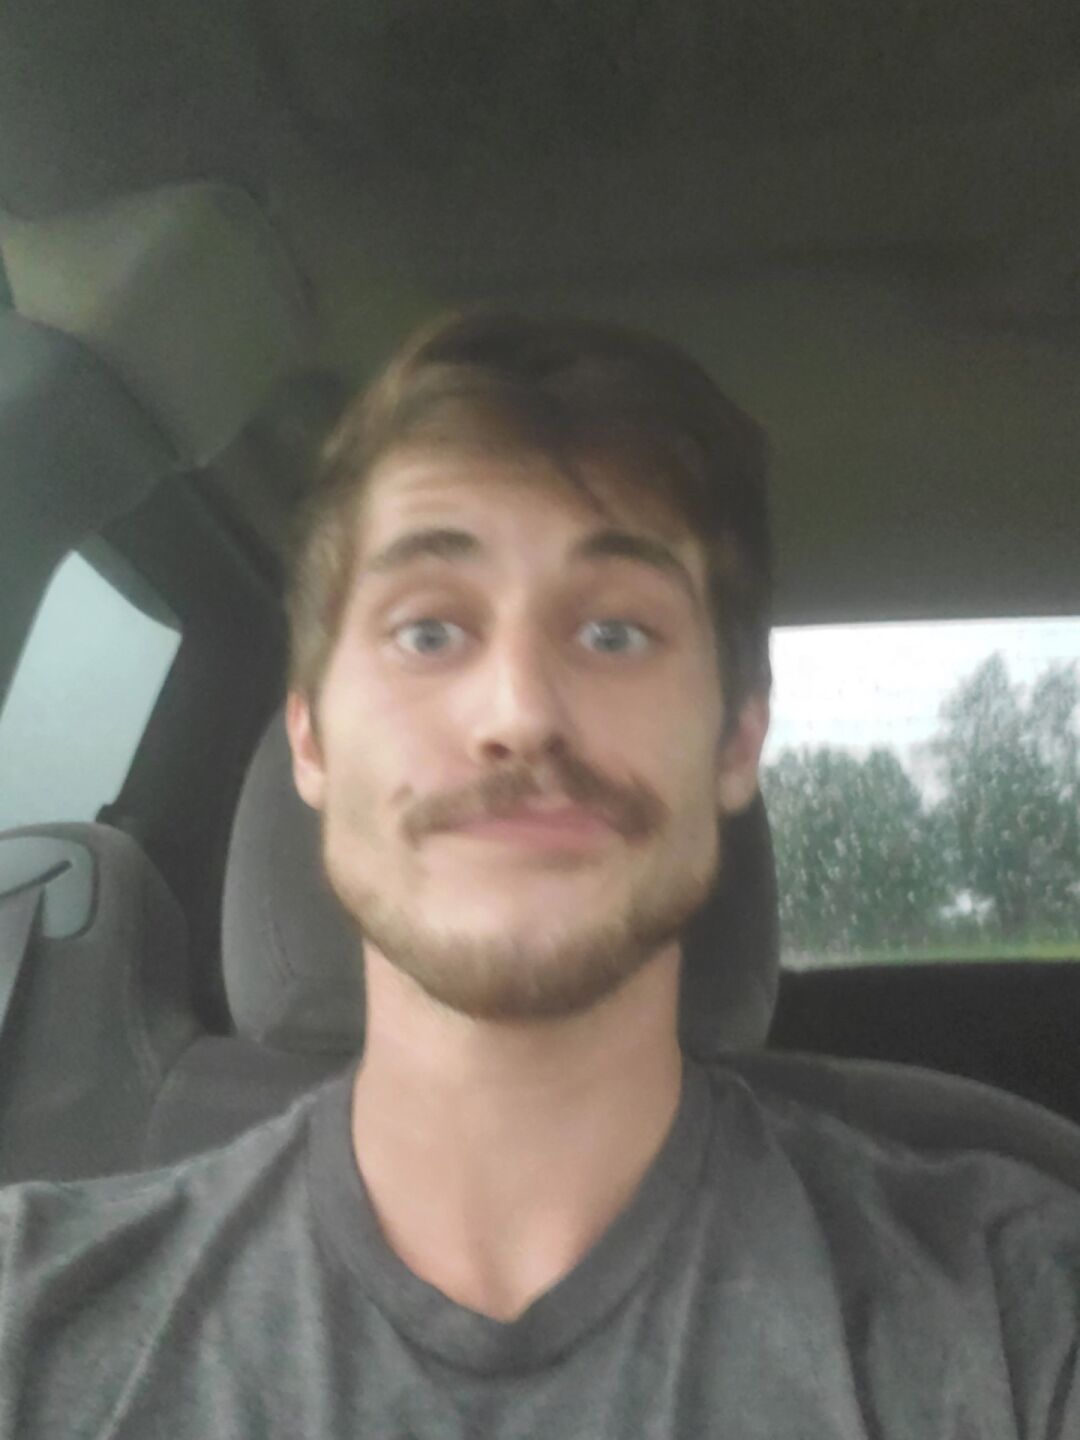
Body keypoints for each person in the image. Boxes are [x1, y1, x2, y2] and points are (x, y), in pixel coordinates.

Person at [1, 312, 1078, 1439]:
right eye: (428, 632)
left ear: (735, 744)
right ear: (312, 740)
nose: (518, 712)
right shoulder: (35, 1321)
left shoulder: (1013, 1315)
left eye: (615, 634)